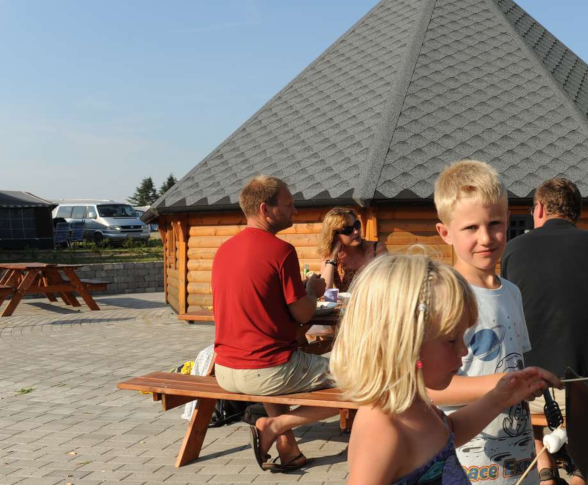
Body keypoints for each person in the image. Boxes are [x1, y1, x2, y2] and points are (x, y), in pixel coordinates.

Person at [331, 253, 558, 485]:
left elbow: (449, 432)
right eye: (452, 340)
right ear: (405, 342)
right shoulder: (382, 428)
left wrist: (499, 399)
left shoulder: (416, 402)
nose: (464, 350)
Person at [500, 177, 588, 485]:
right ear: (576, 214)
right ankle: (581, 473)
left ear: (538, 209)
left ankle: (544, 467)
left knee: (522, 374)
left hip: (528, 390)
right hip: (583, 389)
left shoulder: (513, 249)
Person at [430, 160, 554, 485]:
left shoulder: (511, 292)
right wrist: (504, 386)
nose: (486, 238)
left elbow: (509, 364)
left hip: (519, 458)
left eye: (495, 223)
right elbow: (426, 391)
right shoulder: (443, 296)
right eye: (471, 228)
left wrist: (524, 383)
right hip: (465, 463)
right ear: (445, 233)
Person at [211, 176, 338, 472]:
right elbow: (304, 315)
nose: (295, 210)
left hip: (226, 369)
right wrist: (312, 290)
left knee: (278, 356)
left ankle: (288, 449)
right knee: (367, 380)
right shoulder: (280, 251)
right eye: (290, 204)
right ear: (266, 209)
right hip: (266, 369)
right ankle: (276, 424)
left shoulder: (223, 250)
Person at [317, 207, 388, 292]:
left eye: (357, 225)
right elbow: (324, 291)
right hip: (345, 305)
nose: (356, 232)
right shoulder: (329, 256)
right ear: (334, 235)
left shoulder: (376, 250)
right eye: (348, 230)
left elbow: (387, 285)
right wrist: (332, 259)